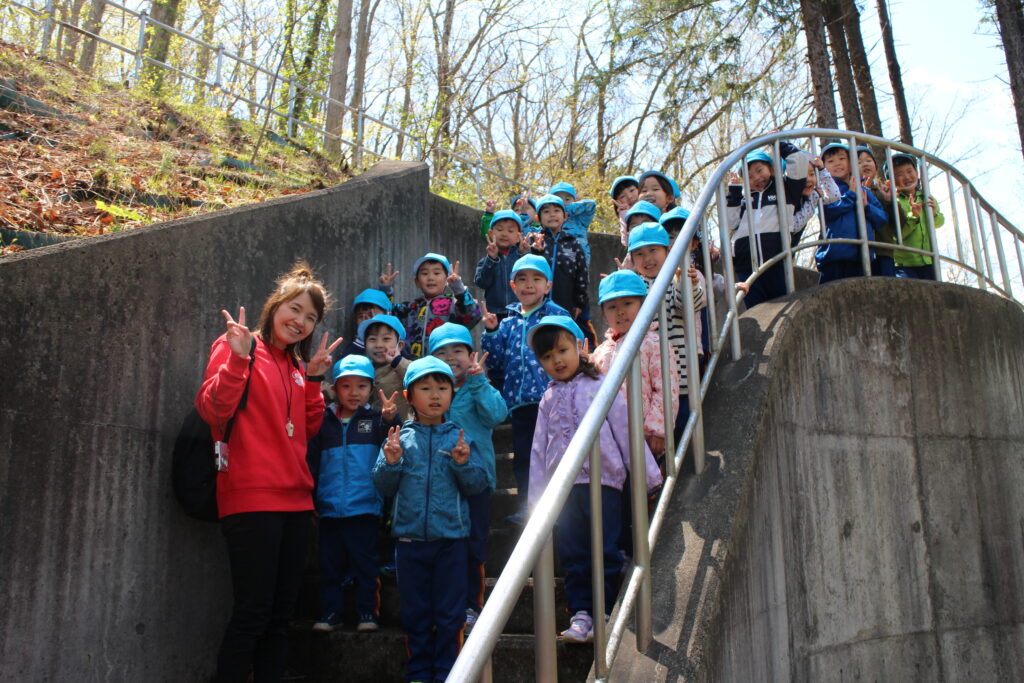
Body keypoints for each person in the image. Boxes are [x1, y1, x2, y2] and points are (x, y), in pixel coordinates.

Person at [195, 261, 340, 683]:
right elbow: (212, 409)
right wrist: (238, 361)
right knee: (252, 614)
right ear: (275, 306)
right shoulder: (238, 345)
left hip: (297, 504)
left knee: (280, 617)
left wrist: (313, 381)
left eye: (311, 317)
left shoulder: (296, 367)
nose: (301, 321)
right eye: (295, 309)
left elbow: (307, 429)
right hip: (251, 499)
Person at [526, 316, 662, 643]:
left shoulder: (601, 386)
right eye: (547, 357)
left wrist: (648, 476)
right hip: (565, 491)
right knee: (574, 552)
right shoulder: (547, 399)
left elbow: (626, 431)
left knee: (605, 546)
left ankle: (604, 608)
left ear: (580, 347)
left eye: (562, 350)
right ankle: (581, 613)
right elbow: (538, 451)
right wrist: (536, 501)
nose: (556, 360)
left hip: (605, 484)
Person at [372, 356, 488, 683]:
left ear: (452, 394)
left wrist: (464, 464)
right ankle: (420, 672)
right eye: (425, 388)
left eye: (442, 387)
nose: (435, 394)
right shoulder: (400, 439)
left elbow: (477, 485)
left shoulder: (459, 438)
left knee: (451, 615)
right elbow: (382, 486)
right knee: (416, 613)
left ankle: (449, 673)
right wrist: (391, 462)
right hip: (409, 543)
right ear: (409, 396)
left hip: (451, 542)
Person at [307, 355, 399, 634]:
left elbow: (392, 448)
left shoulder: (374, 420)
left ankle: (367, 612)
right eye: (347, 386)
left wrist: (389, 419)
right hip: (329, 508)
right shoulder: (323, 422)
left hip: (365, 508)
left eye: (361, 386)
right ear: (335, 389)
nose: (354, 392)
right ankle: (330, 613)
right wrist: (311, 499)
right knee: (329, 565)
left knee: (365, 564)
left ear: (371, 389)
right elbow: (312, 462)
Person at [428, 323, 508, 633]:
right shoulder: (432, 390)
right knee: (445, 543)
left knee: (474, 543)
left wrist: (478, 383)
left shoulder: (477, 385)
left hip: (476, 479)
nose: (451, 357)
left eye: (457, 350)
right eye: (442, 352)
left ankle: (472, 604)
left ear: (471, 354)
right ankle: (449, 600)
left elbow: (496, 415)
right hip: (442, 481)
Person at [481, 254, 567, 522]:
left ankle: (557, 505)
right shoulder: (507, 322)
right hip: (518, 404)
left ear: (548, 285)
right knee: (523, 459)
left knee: (551, 455)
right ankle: (526, 506)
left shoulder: (556, 314)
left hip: (550, 400)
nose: (529, 285)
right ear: (513, 285)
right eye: (522, 279)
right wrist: (492, 333)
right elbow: (494, 361)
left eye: (536, 279)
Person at [627, 223, 706, 444]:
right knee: (651, 437)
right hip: (647, 380)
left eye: (653, 250)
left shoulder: (675, 278)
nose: (647, 258)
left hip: (680, 378)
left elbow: (689, 305)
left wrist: (685, 284)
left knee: (680, 431)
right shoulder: (634, 288)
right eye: (639, 254)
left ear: (667, 251)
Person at [591, 270, 678, 459]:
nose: (620, 311)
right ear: (604, 314)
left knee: (644, 486)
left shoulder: (654, 343)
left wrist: (657, 429)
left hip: (643, 435)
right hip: (609, 438)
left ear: (644, 305)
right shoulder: (600, 351)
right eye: (612, 307)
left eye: (628, 303)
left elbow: (666, 388)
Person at [725, 143, 809, 308]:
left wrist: (780, 145)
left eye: (759, 170)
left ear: (770, 168)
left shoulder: (784, 190)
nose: (756, 177)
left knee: (783, 308)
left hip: (776, 262)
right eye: (749, 176)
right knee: (756, 310)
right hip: (747, 267)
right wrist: (734, 193)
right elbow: (731, 222)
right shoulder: (744, 201)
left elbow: (799, 163)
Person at [379, 253, 482, 359]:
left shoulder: (454, 304)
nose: (430, 277)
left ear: (447, 279)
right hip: (413, 368)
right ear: (417, 282)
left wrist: (459, 289)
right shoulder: (410, 308)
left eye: (437, 273)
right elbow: (385, 314)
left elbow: (473, 315)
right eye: (424, 273)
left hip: (445, 366)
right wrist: (386, 289)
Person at [814, 142, 888, 284]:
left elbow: (882, 218)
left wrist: (867, 207)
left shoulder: (864, 190)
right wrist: (851, 196)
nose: (837, 164)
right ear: (824, 167)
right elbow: (827, 213)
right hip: (834, 256)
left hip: (862, 256)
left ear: (850, 162)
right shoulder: (826, 189)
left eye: (842, 159)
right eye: (830, 161)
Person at [528, 194, 592, 345]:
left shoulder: (573, 242)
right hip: (537, 304)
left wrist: (579, 303)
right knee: (540, 341)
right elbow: (525, 270)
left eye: (556, 210)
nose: (552, 214)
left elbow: (582, 274)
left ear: (565, 216)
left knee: (564, 340)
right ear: (538, 218)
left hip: (566, 302)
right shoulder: (534, 240)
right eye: (546, 211)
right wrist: (534, 251)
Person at [886, 153, 946, 280]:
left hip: (929, 260)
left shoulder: (926, 197)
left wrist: (934, 214)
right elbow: (897, 235)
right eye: (899, 174)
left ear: (917, 173)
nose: (906, 177)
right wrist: (913, 216)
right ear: (890, 181)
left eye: (909, 171)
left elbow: (939, 222)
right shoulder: (894, 202)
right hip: (905, 263)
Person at [474, 209, 530, 326]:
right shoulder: (486, 260)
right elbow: (481, 283)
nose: (504, 234)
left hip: (520, 312)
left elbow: (531, 280)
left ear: (518, 236)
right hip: (494, 315)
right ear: (491, 233)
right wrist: (491, 260)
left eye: (510, 230)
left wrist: (524, 254)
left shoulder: (523, 259)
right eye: (499, 229)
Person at [359, 313, 412, 421]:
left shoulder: (402, 367)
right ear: (365, 345)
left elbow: (418, 376)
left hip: (400, 432)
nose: (379, 345)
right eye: (372, 339)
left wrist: (397, 362)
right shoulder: (362, 369)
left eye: (386, 339)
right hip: (370, 432)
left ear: (400, 345)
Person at [549, 181, 597, 266]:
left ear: (575, 201)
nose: (563, 203)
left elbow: (591, 204)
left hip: (580, 261)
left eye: (567, 199)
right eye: (558, 200)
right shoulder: (551, 218)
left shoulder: (580, 219)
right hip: (558, 260)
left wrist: (565, 209)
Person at [339, 288, 392, 357]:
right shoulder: (352, 351)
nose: (366, 320)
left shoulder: (398, 345)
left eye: (371, 315)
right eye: (360, 316)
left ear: (388, 315)